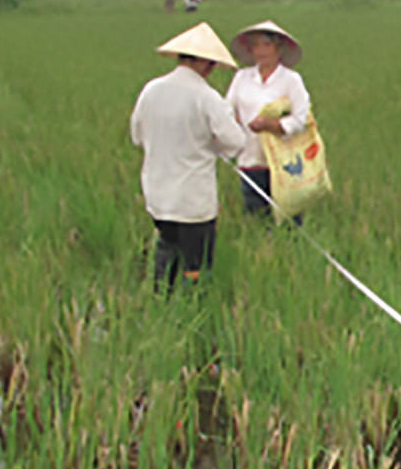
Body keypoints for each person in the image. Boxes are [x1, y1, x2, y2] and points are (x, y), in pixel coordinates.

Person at [130, 22, 245, 293]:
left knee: (167, 246)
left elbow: (137, 136)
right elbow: (236, 141)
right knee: (196, 262)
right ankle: (193, 306)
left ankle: (162, 298)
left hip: (158, 195)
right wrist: (211, 145)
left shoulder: (151, 90)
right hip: (193, 200)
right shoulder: (206, 97)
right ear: (205, 63)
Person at [224, 19, 311, 223]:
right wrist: (234, 122)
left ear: (278, 48)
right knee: (256, 220)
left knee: (289, 222)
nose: (261, 51)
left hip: (284, 163)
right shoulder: (242, 78)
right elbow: (227, 109)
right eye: (255, 45)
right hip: (250, 160)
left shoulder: (291, 80)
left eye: (266, 44)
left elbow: (301, 118)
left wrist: (273, 126)